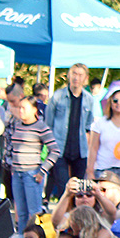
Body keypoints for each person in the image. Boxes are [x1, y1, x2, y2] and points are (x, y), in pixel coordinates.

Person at [7, 97, 61, 238]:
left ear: (34, 110)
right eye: (20, 108)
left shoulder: (41, 127)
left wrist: (43, 170)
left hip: (32, 173)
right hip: (17, 172)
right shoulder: (17, 125)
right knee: (21, 210)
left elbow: (55, 150)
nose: (21, 111)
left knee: (34, 211)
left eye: (24, 108)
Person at [45, 63, 94, 198]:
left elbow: (88, 126)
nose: (76, 78)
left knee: (79, 190)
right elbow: (48, 123)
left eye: (80, 75)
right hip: (59, 149)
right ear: (68, 75)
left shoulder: (89, 99)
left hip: (80, 150)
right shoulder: (57, 96)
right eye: (74, 74)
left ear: (85, 78)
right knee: (63, 187)